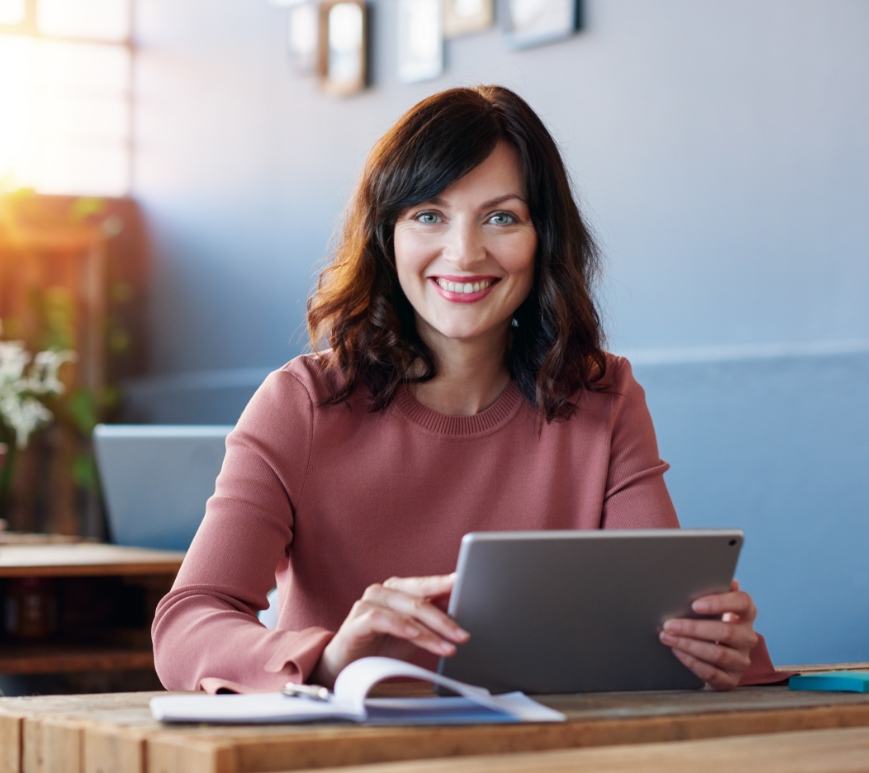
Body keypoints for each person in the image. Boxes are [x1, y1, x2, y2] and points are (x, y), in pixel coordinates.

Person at [152, 85, 778, 694]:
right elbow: (187, 624)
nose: (465, 252)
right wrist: (329, 657)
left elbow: (668, 625)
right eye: (429, 215)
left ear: (544, 240)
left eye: (502, 217)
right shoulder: (301, 404)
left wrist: (717, 648)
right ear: (386, 236)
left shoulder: (603, 397)